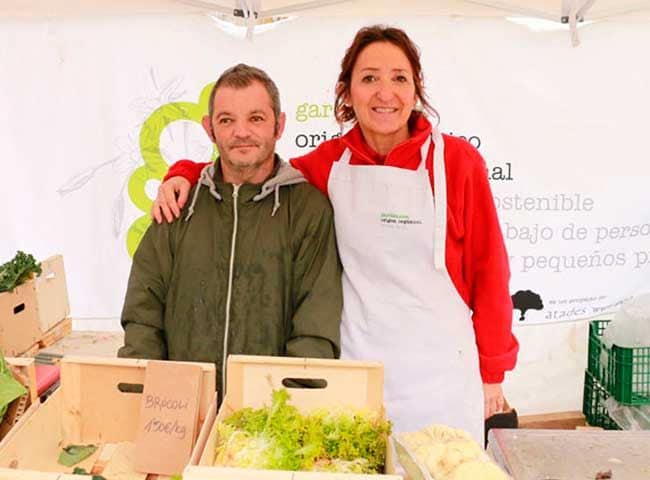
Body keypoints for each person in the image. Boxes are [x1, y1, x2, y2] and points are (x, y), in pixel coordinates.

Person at [152, 26, 518, 443]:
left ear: (416, 90)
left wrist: (493, 374)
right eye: (369, 78)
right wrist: (182, 171)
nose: (385, 92)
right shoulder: (326, 165)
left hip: (444, 380)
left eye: (400, 78)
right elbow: (250, 166)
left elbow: (491, 272)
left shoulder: (458, 162)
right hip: (356, 373)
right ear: (347, 91)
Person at [119, 64, 342, 400]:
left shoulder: (309, 210)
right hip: (181, 412)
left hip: (268, 420)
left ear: (278, 125)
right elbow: (143, 312)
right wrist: (147, 399)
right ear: (210, 129)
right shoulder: (178, 204)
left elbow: (315, 326)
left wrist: (287, 407)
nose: (241, 132)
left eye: (256, 118)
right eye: (227, 120)